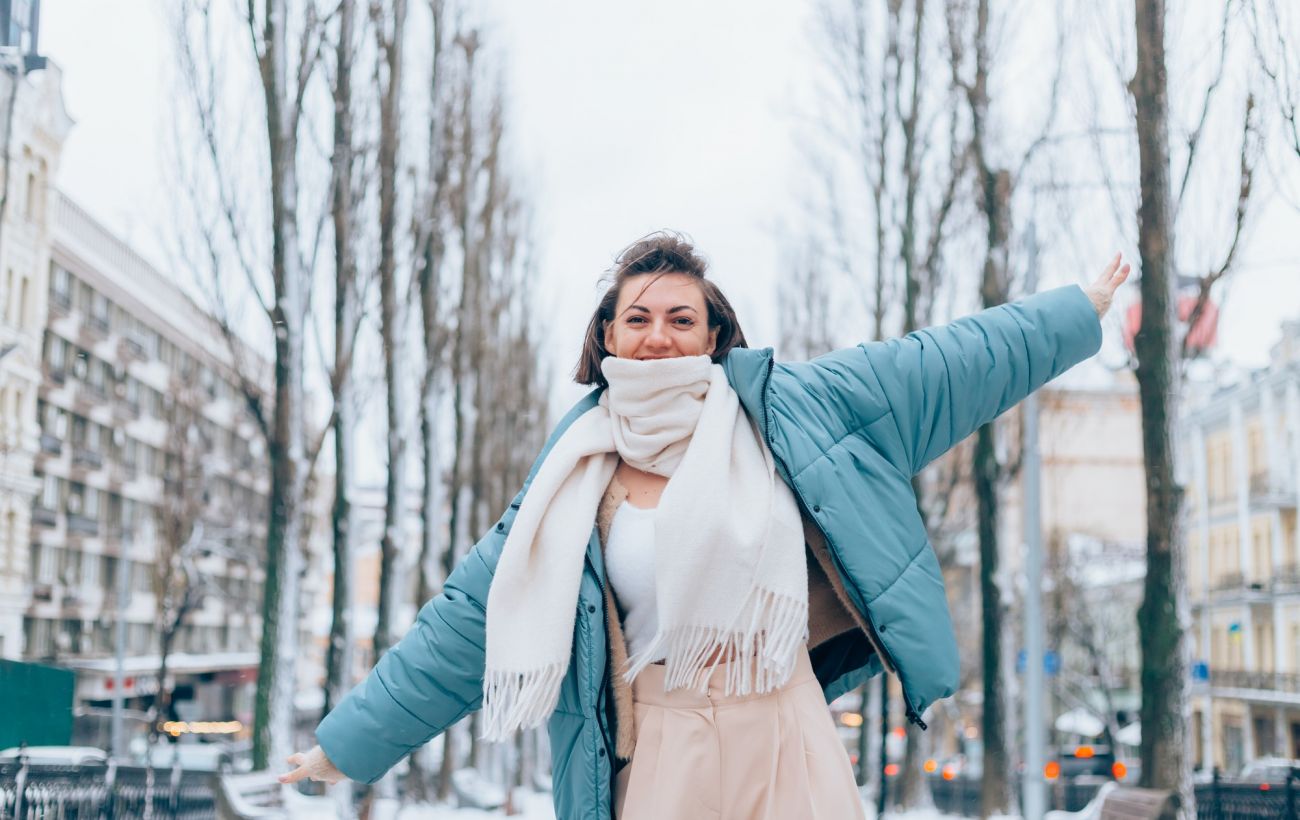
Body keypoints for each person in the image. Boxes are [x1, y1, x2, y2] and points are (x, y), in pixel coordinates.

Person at [280, 233, 1130, 819]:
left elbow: (946, 365)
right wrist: (344, 748)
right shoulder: (570, 480)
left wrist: (1075, 311)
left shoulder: (797, 412)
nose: (657, 336)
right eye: (638, 318)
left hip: (785, 725)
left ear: (714, 335)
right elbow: (461, 628)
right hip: (663, 747)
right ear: (606, 336)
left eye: (681, 318)